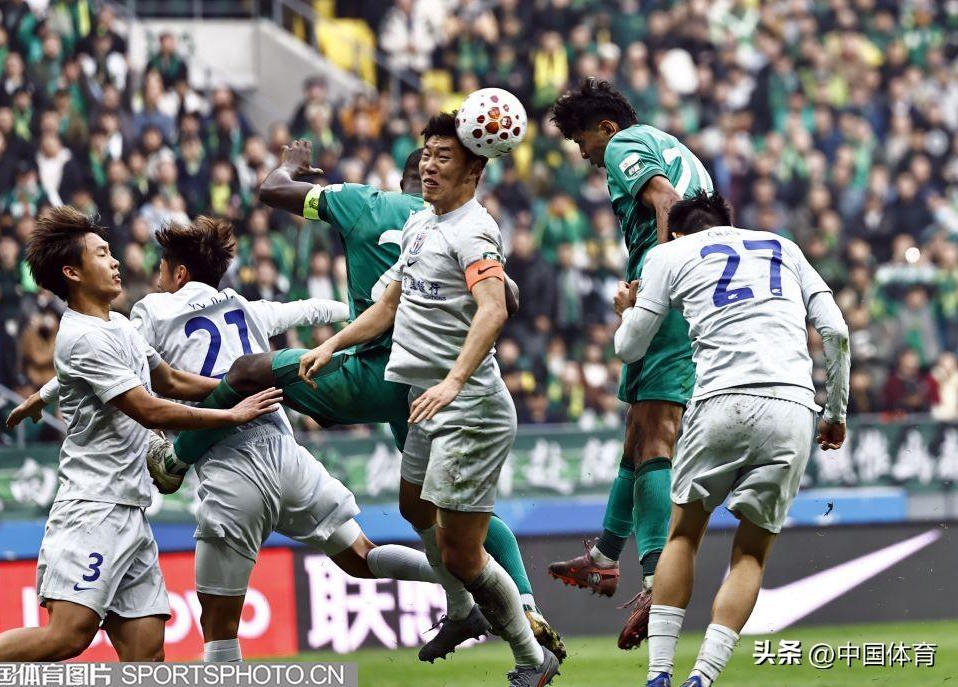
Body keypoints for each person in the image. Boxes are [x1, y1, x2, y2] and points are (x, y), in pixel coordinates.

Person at [148, 139, 565, 660]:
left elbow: (272, 190)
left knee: (249, 371)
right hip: (426, 388)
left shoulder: (367, 203)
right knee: (441, 512)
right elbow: (508, 298)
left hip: (374, 378)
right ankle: (513, 605)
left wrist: (292, 166)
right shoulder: (461, 226)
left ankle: (174, 461)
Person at [10, 216, 444, 663]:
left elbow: (140, 377)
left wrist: (45, 392)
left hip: (228, 474)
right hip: (281, 456)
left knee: (215, 635)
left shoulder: (149, 312)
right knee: (363, 557)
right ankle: (460, 580)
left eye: (161, 271)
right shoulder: (244, 306)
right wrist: (366, 311)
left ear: (178, 274)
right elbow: (306, 310)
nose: (149, 277)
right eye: (103, 253)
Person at [298, 113, 561, 686]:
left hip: (469, 410)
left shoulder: (474, 231)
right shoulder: (421, 224)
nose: (429, 166)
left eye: (444, 157)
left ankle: (530, 658)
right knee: (416, 510)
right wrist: (333, 343)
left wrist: (453, 381)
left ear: (474, 170)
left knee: (464, 555)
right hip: (428, 402)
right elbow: (389, 305)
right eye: (426, 154)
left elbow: (494, 307)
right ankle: (463, 613)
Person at [0, 207, 282, 662]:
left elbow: (170, 379)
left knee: (147, 657)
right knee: (65, 636)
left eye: (111, 252)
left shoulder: (118, 324)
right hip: (92, 509)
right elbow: (147, 407)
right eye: (101, 254)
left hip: (131, 509)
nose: (115, 261)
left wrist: (238, 387)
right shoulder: (83, 338)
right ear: (72, 272)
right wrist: (229, 415)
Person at [611, 192, 849, 687]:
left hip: (720, 399)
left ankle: (659, 674)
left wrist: (627, 311)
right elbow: (837, 331)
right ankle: (704, 676)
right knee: (750, 555)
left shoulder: (669, 253)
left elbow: (628, 348)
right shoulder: (783, 246)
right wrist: (835, 413)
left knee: (682, 536)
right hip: (791, 406)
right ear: (729, 223)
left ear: (678, 231)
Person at [546, 77, 714, 650]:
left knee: (656, 437)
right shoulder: (674, 145)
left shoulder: (625, 145)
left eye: (581, 141)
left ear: (606, 127)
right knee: (638, 436)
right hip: (687, 296)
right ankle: (604, 556)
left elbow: (665, 201)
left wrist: (661, 277)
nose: (584, 154)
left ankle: (655, 580)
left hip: (672, 300)